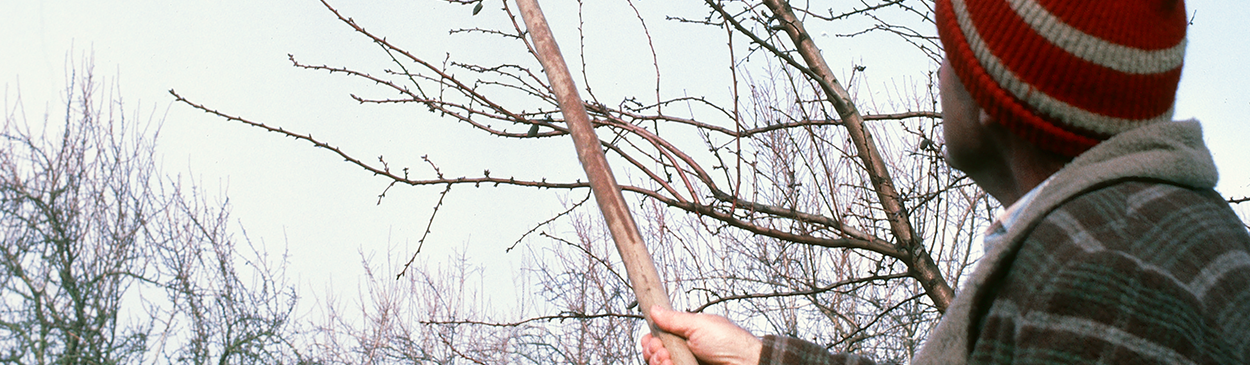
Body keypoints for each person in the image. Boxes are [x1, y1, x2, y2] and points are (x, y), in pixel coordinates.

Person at [641, 0, 1250, 363]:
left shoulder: (1098, 280)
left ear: (992, 97)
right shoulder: (1146, 229)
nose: (938, 75)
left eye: (950, 54)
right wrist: (759, 358)